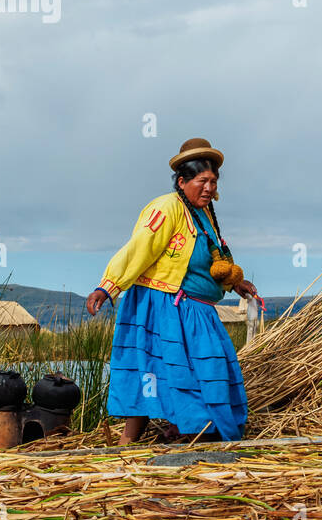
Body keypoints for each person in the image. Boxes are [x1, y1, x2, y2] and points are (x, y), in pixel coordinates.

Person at [85, 137, 257, 445]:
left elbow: (209, 259)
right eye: (202, 181)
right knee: (157, 371)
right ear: (182, 180)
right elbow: (138, 250)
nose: (209, 188)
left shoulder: (203, 214)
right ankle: (141, 442)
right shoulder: (167, 208)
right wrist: (107, 286)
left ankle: (191, 433)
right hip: (163, 306)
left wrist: (235, 283)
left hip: (197, 310)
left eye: (213, 182)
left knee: (207, 369)